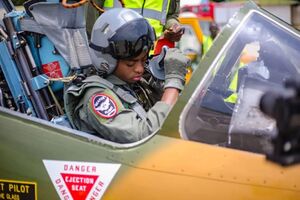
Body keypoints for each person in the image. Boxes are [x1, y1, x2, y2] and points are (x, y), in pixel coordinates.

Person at [64, 8, 190, 143]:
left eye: (143, 60)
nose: (140, 69)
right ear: (106, 60)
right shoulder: (97, 97)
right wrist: (174, 81)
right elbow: (144, 137)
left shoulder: (135, 83)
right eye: (131, 63)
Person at [85, 0, 184, 49]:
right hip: (114, 55)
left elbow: (171, 15)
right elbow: (90, 21)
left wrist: (173, 25)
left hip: (151, 58)